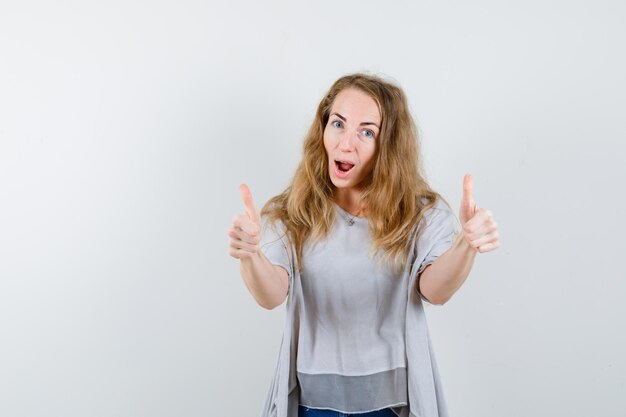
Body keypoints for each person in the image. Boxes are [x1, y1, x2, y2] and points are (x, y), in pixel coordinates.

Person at [228, 73, 500, 417]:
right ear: (322, 128)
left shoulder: (421, 213)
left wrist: (467, 244)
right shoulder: (293, 211)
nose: (346, 144)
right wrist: (250, 255)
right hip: (315, 403)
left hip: (389, 404)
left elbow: (434, 290)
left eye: (366, 132)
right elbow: (271, 295)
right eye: (338, 124)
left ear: (388, 146)